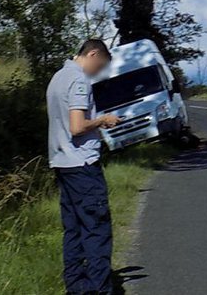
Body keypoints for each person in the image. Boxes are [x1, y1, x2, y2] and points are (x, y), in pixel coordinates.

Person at [47, 39, 121, 295]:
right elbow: (77, 127)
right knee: (96, 230)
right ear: (92, 54)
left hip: (62, 164)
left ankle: (76, 288)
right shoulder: (78, 80)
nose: (97, 73)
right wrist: (103, 120)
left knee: (73, 230)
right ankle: (101, 290)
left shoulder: (58, 77)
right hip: (82, 165)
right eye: (98, 66)